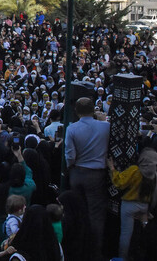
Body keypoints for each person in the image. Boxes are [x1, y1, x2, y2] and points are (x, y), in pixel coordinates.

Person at [64, 97, 109, 257]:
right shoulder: (105, 127)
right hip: (96, 174)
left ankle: (77, 246)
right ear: (93, 110)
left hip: (77, 171)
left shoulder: (72, 129)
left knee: (75, 210)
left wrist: (71, 167)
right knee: (95, 214)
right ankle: (94, 251)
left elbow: (69, 154)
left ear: (76, 111)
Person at [108, 148, 157, 260]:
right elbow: (155, 195)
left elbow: (119, 183)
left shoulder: (135, 171)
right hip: (144, 207)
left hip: (129, 206)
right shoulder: (154, 175)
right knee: (144, 233)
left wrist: (112, 168)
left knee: (126, 234)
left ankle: (123, 257)